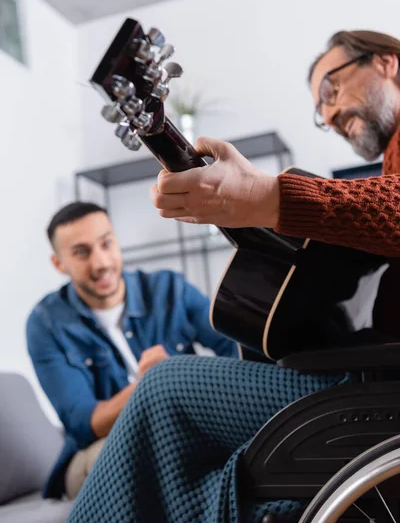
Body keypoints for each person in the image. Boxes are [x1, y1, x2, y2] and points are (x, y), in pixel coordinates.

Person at [67, 30, 400, 523]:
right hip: (369, 378)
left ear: (387, 63)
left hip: (376, 388)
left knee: (165, 385)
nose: (328, 116)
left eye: (330, 90)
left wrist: (268, 196)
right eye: (319, 109)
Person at [26, 202, 237, 499]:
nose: (101, 263)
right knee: (133, 458)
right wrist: (151, 384)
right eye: (82, 252)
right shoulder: (45, 324)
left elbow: (234, 347)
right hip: (97, 451)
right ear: (59, 263)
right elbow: (84, 423)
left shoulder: (169, 289)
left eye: (106, 243)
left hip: (181, 432)